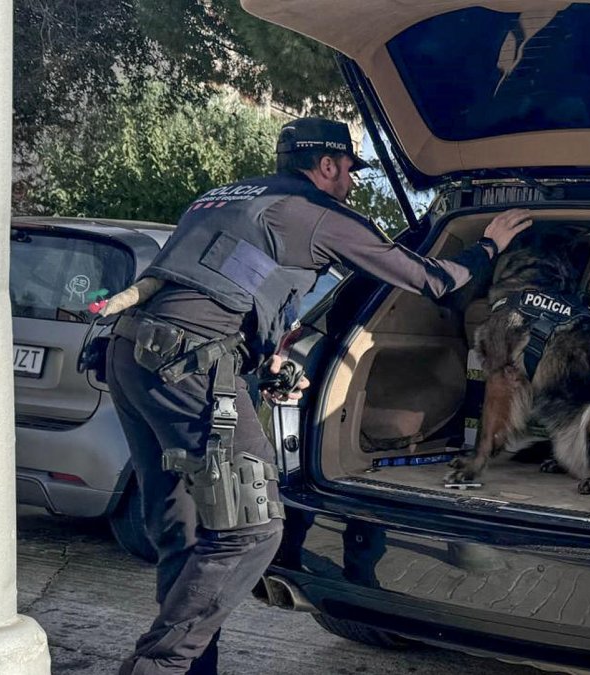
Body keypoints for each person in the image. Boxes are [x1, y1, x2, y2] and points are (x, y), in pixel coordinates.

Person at [105, 117, 532, 674]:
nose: (353, 182)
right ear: (327, 165)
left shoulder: (226, 196)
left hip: (134, 355)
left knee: (182, 529)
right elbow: (431, 279)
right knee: (251, 530)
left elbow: (227, 281)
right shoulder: (318, 213)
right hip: (192, 363)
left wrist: (266, 359)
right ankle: (158, 668)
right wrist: (489, 245)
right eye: (351, 170)